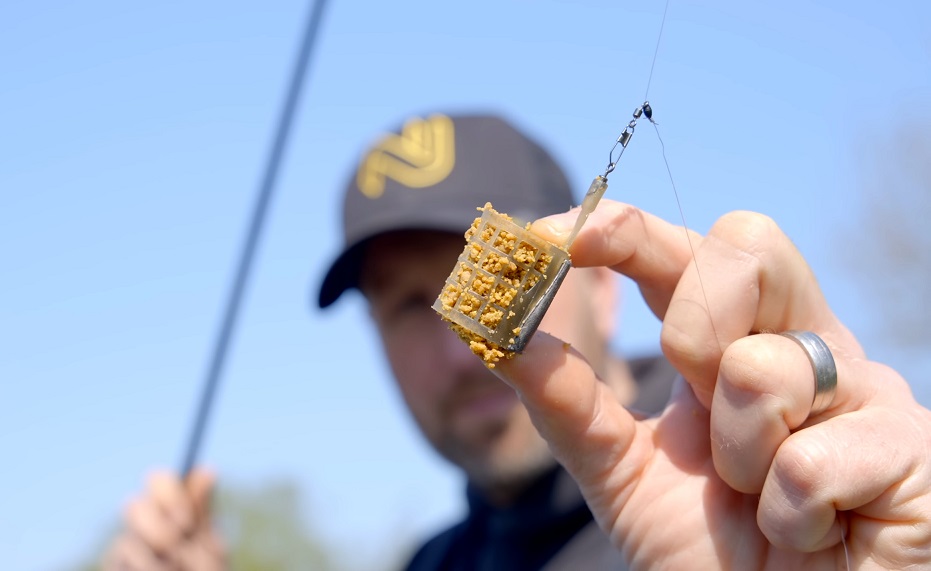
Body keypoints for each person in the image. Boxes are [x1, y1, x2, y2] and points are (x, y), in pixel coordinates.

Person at [104, 112, 931, 570]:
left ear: (602, 284)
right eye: (400, 305)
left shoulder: (782, 509)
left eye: (491, 271)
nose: (458, 341)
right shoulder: (426, 562)